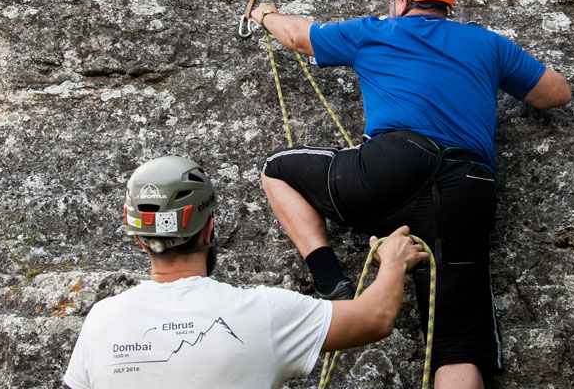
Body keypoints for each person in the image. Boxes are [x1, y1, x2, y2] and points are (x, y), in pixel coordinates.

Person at [249, 0, 571, 389]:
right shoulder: (488, 44)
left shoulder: (376, 31)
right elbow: (556, 93)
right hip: (468, 186)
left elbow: (296, 35)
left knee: (277, 169)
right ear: (445, 5)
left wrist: (264, 13)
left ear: (400, 0)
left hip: (395, 164)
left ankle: (330, 280)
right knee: (457, 345)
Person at [63, 155, 427, 389]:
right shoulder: (261, 313)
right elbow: (374, 317)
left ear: (140, 239)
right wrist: (394, 262)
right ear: (209, 228)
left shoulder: (102, 321)